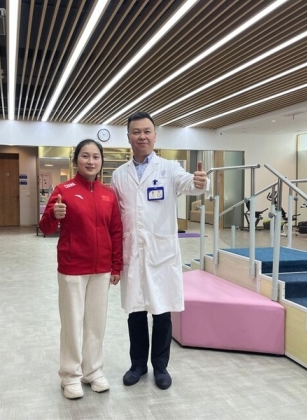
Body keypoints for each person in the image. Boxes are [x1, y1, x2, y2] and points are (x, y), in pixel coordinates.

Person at [111, 111, 208, 390]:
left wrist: (200, 182)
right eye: (136, 132)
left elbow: (190, 184)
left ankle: (161, 367)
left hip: (161, 254)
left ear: (155, 136)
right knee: (135, 311)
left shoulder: (169, 168)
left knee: (162, 312)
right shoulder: (119, 175)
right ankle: (138, 365)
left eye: (147, 131)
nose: (142, 136)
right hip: (133, 252)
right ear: (128, 137)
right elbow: (115, 216)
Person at [39, 139, 123, 400]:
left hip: (101, 269)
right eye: (85, 156)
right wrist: (54, 215)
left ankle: (93, 372)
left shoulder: (108, 194)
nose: (90, 161)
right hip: (72, 268)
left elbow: (116, 231)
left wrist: (116, 265)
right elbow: (45, 228)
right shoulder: (63, 190)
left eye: (96, 156)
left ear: (101, 162)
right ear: (76, 160)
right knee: (72, 323)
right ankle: (70, 376)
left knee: (96, 323)